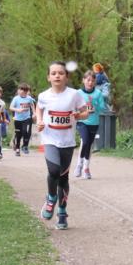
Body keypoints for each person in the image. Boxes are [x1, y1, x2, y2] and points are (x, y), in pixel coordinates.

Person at [36, 61, 90, 230]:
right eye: (53, 73)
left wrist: (79, 115)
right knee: (53, 171)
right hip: (49, 139)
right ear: (48, 77)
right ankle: (51, 198)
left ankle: (62, 212)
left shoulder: (74, 95)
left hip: (67, 141)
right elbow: (39, 108)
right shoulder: (43, 96)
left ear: (67, 77)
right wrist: (39, 120)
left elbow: (86, 112)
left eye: (61, 73)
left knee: (63, 178)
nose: (57, 76)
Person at [74, 71, 107, 178]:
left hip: (94, 123)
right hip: (82, 122)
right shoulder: (78, 93)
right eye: (88, 80)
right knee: (85, 141)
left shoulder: (98, 94)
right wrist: (78, 112)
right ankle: (79, 165)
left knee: (89, 145)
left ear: (95, 82)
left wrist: (95, 106)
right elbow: (73, 106)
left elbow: (102, 108)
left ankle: (86, 168)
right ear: (83, 80)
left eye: (92, 81)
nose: (90, 82)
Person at [9, 83, 36, 156]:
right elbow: (11, 107)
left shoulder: (29, 98)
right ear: (18, 90)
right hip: (18, 119)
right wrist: (17, 110)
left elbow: (32, 105)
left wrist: (34, 113)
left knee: (25, 131)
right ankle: (17, 149)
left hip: (26, 118)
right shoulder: (16, 98)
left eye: (23, 91)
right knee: (18, 134)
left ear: (26, 92)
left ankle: (25, 146)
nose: (21, 92)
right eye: (20, 90)